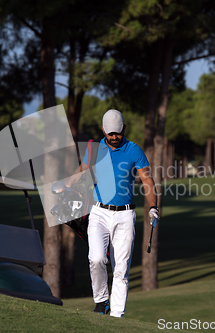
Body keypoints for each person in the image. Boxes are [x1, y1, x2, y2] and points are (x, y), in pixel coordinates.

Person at [67, 109, 159, 318]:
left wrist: (153, 206)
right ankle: (101, 301)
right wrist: (65, 187)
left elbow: (147, 181)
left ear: (123, 129)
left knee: (121, 268)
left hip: (125, 216)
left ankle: (117, 315)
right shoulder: (95, 149)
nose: (114, 137)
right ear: (103, 131)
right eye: (110, 134)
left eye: (117, 133)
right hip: (99, 212)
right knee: (96, 258)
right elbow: (80, 171)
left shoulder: (134, 150)